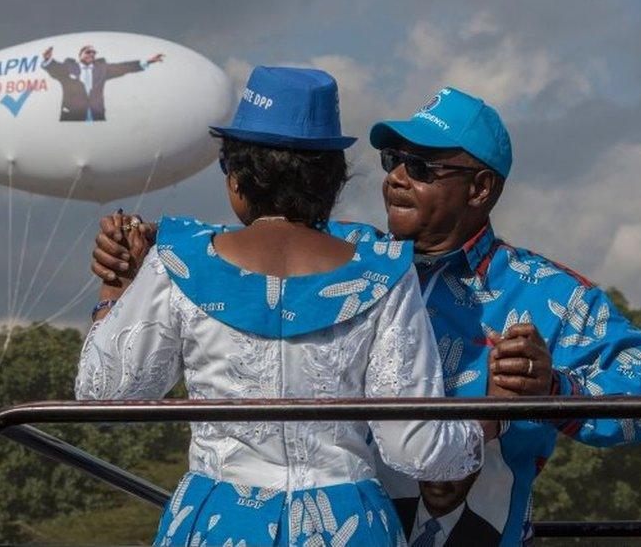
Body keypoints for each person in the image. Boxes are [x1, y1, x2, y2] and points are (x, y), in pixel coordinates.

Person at [90, 86, 641, 545]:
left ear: (481, 189)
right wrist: (137, 250)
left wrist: (555, 390)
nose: (398, 179)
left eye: (424, 166)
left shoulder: (551, 296)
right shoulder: (349, 260)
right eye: (392, 162)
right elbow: (241, 246)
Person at [76, 66, 497, 547]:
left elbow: (105, 396)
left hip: (218, 522)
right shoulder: (383, 273)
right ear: (332, 181)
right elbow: (416, 448)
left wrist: (116, 289)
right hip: (349, 525)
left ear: (237, 178)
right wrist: (495, 415)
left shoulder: (178, 261)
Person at [41, 45, 163, 122]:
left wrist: (148, 61)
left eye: (94, 53)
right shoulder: (69, 67)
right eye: (88, 52)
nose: (92, 55)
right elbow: (56, 69)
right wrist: (48, 60)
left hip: (96, 113)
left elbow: (123, 67)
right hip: (73, 113)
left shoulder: (102, 69)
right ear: (80, 55)